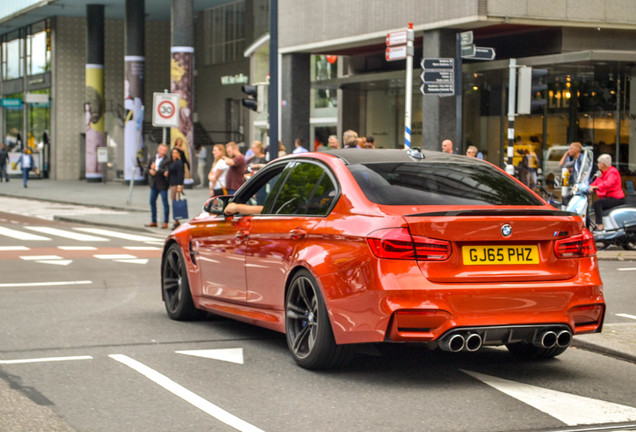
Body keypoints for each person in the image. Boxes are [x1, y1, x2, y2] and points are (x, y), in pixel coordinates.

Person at [590, 154, 625, 231]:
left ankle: (600, 225)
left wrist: (597, 187)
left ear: (603, 164)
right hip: (607, 197)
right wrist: (589, 186)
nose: (598, 164)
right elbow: (596, 182)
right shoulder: (602, 173)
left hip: (616, 198)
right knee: (597, 204)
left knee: (597, 203)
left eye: (599, 163)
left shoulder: (612, 172)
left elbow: (609, 183)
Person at [145, 143, 170, 229]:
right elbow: (147, 168)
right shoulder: (152, 158)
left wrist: (156, 169)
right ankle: (154, 221)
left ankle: (165, 222)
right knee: (152, 202)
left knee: (165, 203)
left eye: (165, 151)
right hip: (154, 184)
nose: (163, 152)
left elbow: (166, 171)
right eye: (162, 150)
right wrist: (150, 171)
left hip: (163, 184)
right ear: (158, 150)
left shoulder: (167, 160)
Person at [167, 148, 185, 229]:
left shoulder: (179, 163)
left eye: (175, 153)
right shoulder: (172, 162)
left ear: (178, 154)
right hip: (172, 183)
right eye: (173, 153)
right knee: (174, 202)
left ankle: (177, 221)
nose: (174, 154)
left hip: (176, 184)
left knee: (176, 203)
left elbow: (180, 174)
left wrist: (179, 185)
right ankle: (176, 220)